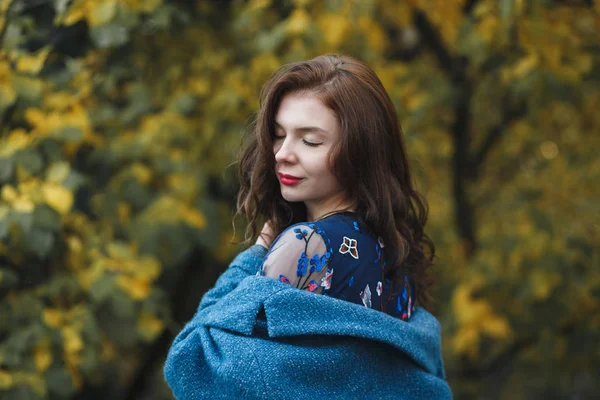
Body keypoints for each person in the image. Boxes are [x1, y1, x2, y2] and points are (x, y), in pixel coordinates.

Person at [164, 54, 452, 399]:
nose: (281, 153)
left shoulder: (306, 245)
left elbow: (195, 362)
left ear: (358, 151)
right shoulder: (394, 249)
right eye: (278, 135)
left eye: (310, 140)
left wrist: (258, 251)